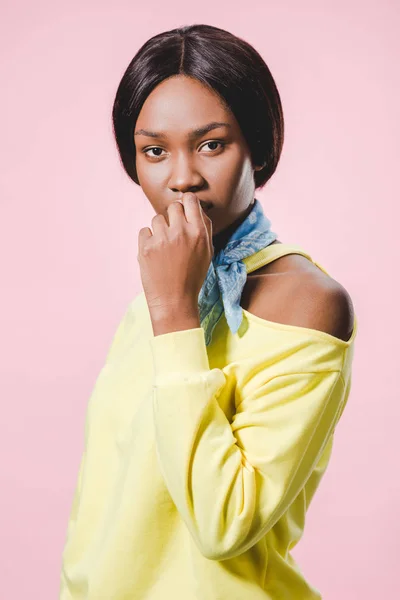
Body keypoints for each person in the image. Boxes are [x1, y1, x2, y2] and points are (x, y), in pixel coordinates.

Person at [59, 23, 357, 600]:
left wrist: (174, 314)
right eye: (154, 151)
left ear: (260, 147)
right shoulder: (161, 291)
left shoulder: (309, 301)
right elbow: (103, 516)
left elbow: (226, 524)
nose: (182, 179)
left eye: (211, 144)